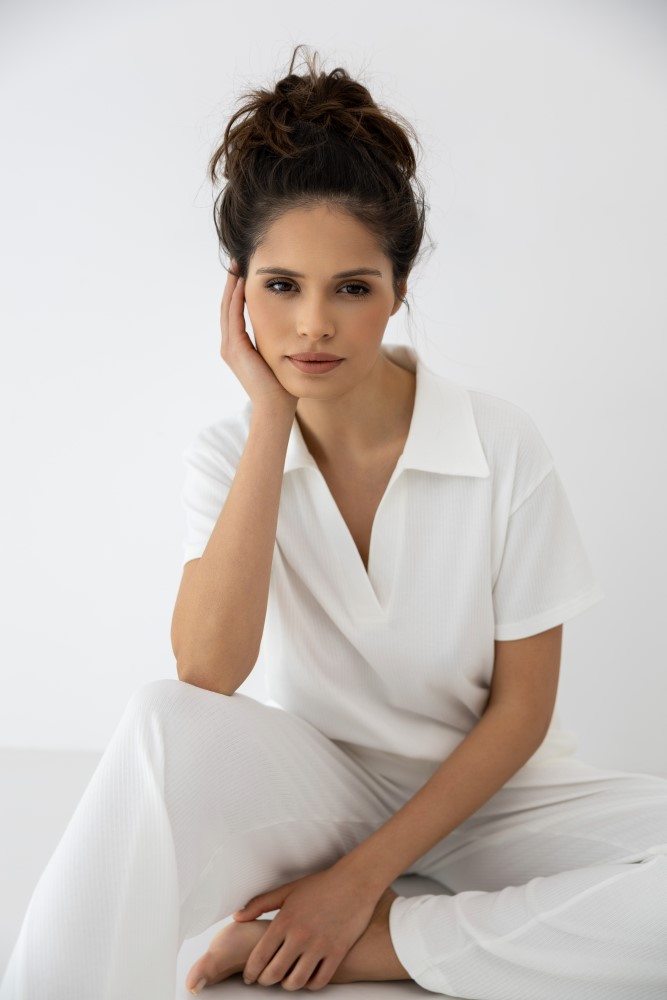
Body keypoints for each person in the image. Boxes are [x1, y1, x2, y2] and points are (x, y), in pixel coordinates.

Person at [2, 43, 666, 1000]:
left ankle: (394, 944)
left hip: (493, 799)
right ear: (238, 290)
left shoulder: (498, 443)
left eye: (351, 288)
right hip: (316, 795)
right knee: (158, 719)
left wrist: (357, 894)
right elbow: (207, 671)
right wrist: (270, 419)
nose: (313, 324)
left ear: (398, 289)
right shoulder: (228, 452)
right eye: (282, 286)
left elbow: (522, 711)